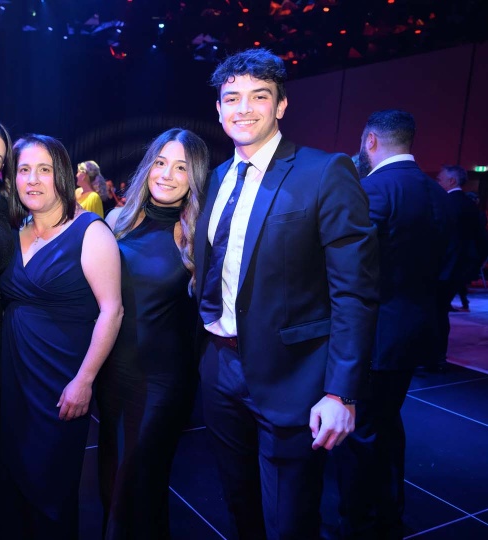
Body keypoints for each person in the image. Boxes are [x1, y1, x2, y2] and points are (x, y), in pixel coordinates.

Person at [194, 49, 379, 539]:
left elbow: (355, 292)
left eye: (259, 96)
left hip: (294, 376)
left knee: (289, 520)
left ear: (281, 105)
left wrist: (340, 391)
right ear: (218, 108)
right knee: (239, 505)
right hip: (219, 366)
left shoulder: (324, 171)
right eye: (232, 97)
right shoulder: (217, 178)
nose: (244, 108)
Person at [0, 134, 122, 539]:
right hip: (12, 377)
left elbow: (112, 311)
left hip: (60, 383)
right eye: (24, 170)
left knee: (51, 489)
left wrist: (84, 381)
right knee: (11, 484)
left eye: (44, 170)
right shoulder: (14, 228)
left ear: (63, 175)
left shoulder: (90, 232)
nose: (33, 180)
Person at [334, 109, 449, 539]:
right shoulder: (437, 193)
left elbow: (349, 266)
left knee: (361, 432)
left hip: (374, 334)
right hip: (414, 330)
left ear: (370, 140)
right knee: (387, 424)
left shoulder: (371, 189)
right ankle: (389, 515)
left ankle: (358, 525)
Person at [98, 128, 209, 539]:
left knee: (138, 479)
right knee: (112, 476)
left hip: (162, 382)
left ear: (194, 177)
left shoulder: (197, 235)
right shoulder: (118, 222)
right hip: (113, 373)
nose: (166, 174)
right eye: (160, 163)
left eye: (181, 167)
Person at [429, 165, 488, 370]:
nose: (437, 182)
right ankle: (437, 356)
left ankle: (432, 357)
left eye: (439, 179)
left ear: (451, 181)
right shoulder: (471, 206)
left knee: (434, 313)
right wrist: (472, 267)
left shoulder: (444, 203)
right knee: (440, 312)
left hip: (441, 268)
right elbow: (482, 242)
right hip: (458, 270)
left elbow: (437, 238)